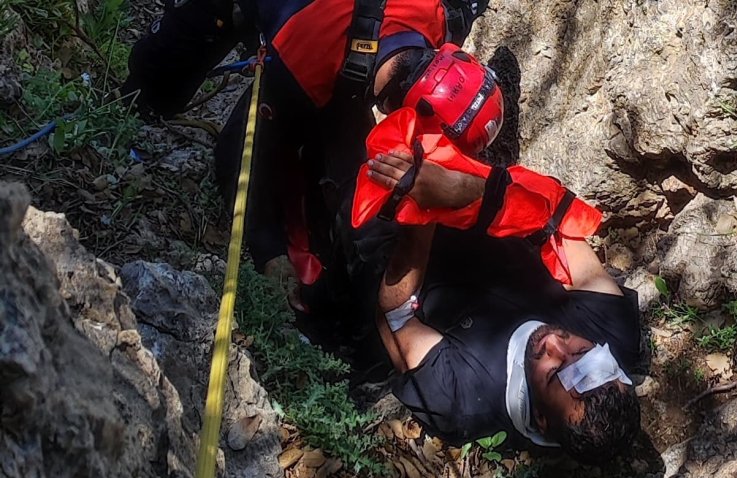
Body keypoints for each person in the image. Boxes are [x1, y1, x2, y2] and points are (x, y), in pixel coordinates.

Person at [121, 0, 491, 312]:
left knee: (334, 116)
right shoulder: (300, 64)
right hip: (294, 33)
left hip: (333, 42)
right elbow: (241, 151)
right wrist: (269, 252)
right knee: (152, 88)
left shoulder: (445, 15)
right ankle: (125, 112)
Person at [365, 151, 644, 462]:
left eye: (553, 373)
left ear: (540, 417)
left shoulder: (462, 403)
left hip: (382, 238)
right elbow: (554, 222)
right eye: (581, 351)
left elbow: (395, 316)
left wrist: (422, 210)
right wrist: (462, 190)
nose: (555, 344)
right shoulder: (615, 333)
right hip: (466, 191)